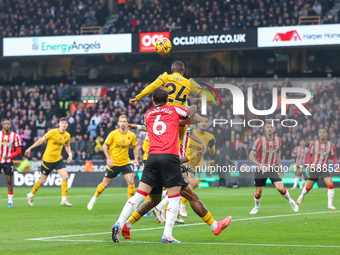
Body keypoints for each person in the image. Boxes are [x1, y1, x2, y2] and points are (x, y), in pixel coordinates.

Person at [111, 87, 201, 243]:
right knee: (174, 196)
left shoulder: (148, 114)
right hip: (169, 156)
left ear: (153, 100)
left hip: (151, 158)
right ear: (167, 100)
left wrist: (138, 127)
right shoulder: (173, 109)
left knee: (140, 195)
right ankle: (167, 234)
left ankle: (119, 222)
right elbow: (190, 116)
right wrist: (192, 108)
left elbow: (154, 128)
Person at [87, 115, 139, 210]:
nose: (123, 123)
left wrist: (135, 158)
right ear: (118, 123)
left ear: (127, 123)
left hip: (125, 162)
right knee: (105, 184)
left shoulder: (131, 135)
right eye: (121, 121)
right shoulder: (113, 134)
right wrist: (108, 159)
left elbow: (135, 146)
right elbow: (104, 146)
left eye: (124, 121)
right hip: (113, 163)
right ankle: (94, 198)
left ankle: (131, 206)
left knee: (131, 181)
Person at [249, 121, 299, 214]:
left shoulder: (278, 140)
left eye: (271, 127)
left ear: (274, 129)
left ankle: (290, 200)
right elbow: (251, 155)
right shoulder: (259, 140)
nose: (269, 129)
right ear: (264, 129)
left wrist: (279, 166)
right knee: (258, 192)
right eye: (267, 127)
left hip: (272, 168)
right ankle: (256, 206)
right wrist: (260, 165)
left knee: (280, 188)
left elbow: (278, 152)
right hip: (260, 170)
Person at [25, 117, 73, 207]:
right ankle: (30, 195)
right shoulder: (52, 132)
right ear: (59, 124)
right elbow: (41, 140)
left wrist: (69, 154)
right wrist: (30, 148)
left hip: (58, 160)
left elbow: (67, 145)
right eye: (62, 122)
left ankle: (63, 200)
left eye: (66, 123)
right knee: (43, 180)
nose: (64, 124)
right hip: (47, 160)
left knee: (65, 176)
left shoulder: (67, 135)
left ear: (67, 125)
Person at [179, 117, 216, 218]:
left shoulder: (209, 136)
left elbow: (212, 153)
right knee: (183, 186)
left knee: (187, 186)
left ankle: (164, 208)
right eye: (202, 121)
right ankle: (179, 206)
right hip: (183, 161)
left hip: (193, 165)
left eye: (207, 122)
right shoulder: (190, 131)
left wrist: (212, 146)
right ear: (198, 123)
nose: (204, 124)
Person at [297, 129, 338, 209]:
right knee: (309, 186)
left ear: (326, 134)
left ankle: (330, 204)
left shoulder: (331, 145)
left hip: (324, 168)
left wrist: (336, 165)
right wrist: (309, 165)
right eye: (320, 132)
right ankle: (301, 196)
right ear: (318, 134)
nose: (322, 134)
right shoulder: (313, 144)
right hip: (314, 168)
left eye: (323, 132)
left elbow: (334, 156)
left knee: (330, 184)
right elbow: (309, 154)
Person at [0, 120, 22, 207]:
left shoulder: (15, 136)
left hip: (8, 162)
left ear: (10, 125)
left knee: (9, 180)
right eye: (5, 124)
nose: (6, 125)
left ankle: (10, 201)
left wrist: (10, 156)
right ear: (2, 126)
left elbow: (19, 150)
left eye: (8, 124)